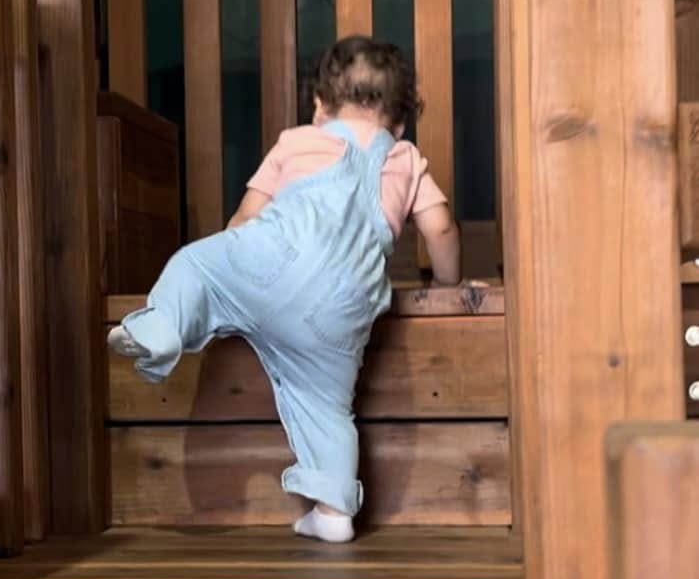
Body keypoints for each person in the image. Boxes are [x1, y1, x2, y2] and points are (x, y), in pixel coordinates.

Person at [107, 36, 461, 543]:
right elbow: (441, 229)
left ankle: (164, 324)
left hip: (271, 263)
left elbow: (245, 218)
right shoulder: (405, 159)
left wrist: (229, 272)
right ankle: (335, 511)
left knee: (196, 264)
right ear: (400, 123)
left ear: (320, 106)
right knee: (326, 406)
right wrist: (446, 287)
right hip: (344, 306)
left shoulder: (296, 141)